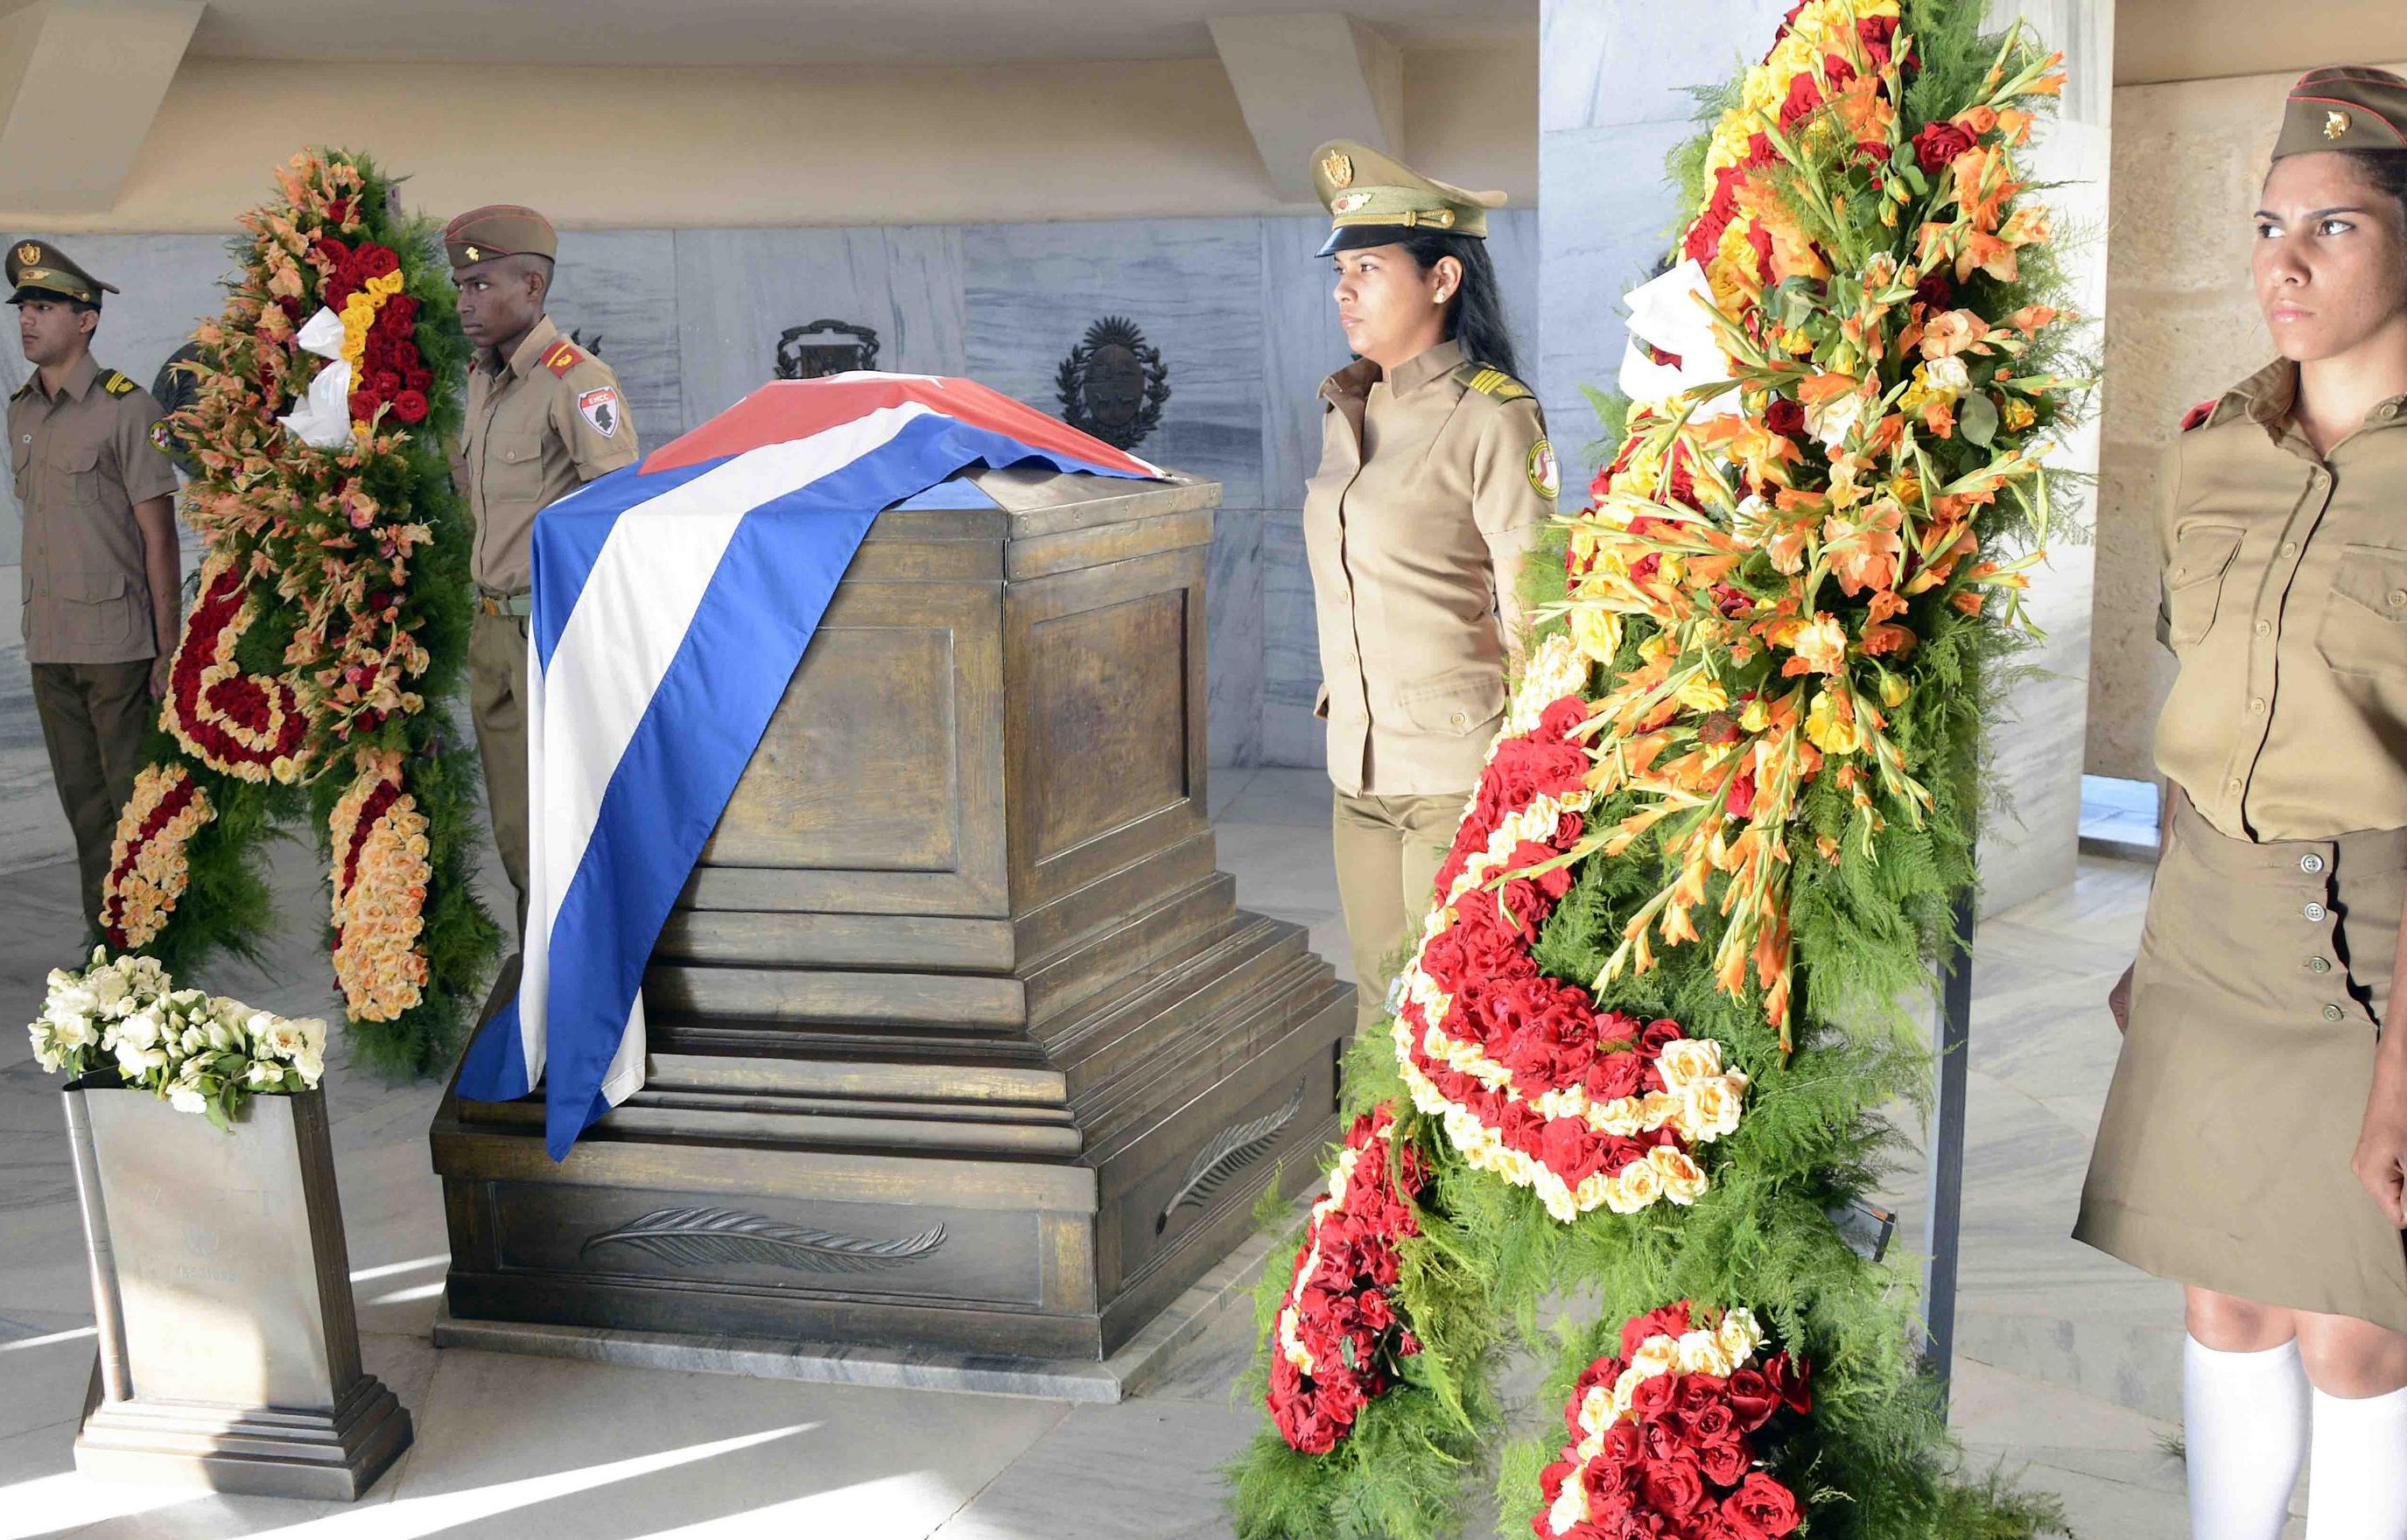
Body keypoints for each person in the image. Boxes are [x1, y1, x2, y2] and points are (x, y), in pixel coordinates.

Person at [2076, 66, 2407, 1540]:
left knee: (2358, 1330)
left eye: (2332, 228)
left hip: (2378, 943)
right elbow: (2197, 716)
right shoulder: (2212, 450)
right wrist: (2157, 939)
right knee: (2226, 1299)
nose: (2283, 262)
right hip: (2208, 922)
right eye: (2270, 223)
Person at [1299, 141, 1555, 1033]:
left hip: (1454, 768)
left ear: (1441, 276)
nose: (1343, 288)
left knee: (1439, 1015)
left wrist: (1531, 771)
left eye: (1367, 266)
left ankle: (1428, 1176)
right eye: (1340, 268)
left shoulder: (1491, 416)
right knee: (1375, 1008)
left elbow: (1537, 607)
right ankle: (1372, 1177)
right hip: (1357, 767)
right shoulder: (1348, 407)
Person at [446, 205, 639, 1000]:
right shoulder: (483, 382)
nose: (464, 299)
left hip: (550, 636)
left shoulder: (577, 383)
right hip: (492, 631)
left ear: (532, 283)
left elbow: (622, 516)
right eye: (460, 283)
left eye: (481, 282)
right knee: (517, 830)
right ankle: (545, 986)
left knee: (562, 825)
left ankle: (577, 990)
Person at [8, 240, 180, 928]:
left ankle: (158, 954)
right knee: (84, 811)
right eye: (23, 307)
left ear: (87, 321)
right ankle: (107, 959)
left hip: (118, 647)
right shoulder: (20, 411)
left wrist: (168, 649)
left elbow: (159, 538)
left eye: (44, 307)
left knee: (138, 812)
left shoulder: (127, 408)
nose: (27, 320)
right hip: (50, 641)